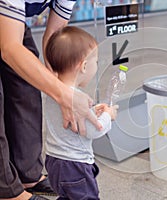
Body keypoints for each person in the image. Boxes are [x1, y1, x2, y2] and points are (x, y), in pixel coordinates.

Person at [0, 1, 102, 200]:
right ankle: (5, 190)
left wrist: (61, 86)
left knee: (26, 88)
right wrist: (63, 95)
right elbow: (9, 48)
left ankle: (27, 173)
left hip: (11, 20)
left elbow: (56, 35)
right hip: (8, 24)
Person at [44, 26, 118, 200]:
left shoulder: (54, 92)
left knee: (66, 196)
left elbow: (72, 121)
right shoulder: (78, 97)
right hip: (74, 165)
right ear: (84, 66)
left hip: (53, 161)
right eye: (96, 62)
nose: (96, 66)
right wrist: (108, 115)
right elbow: (94, 130)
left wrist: (92, 111)